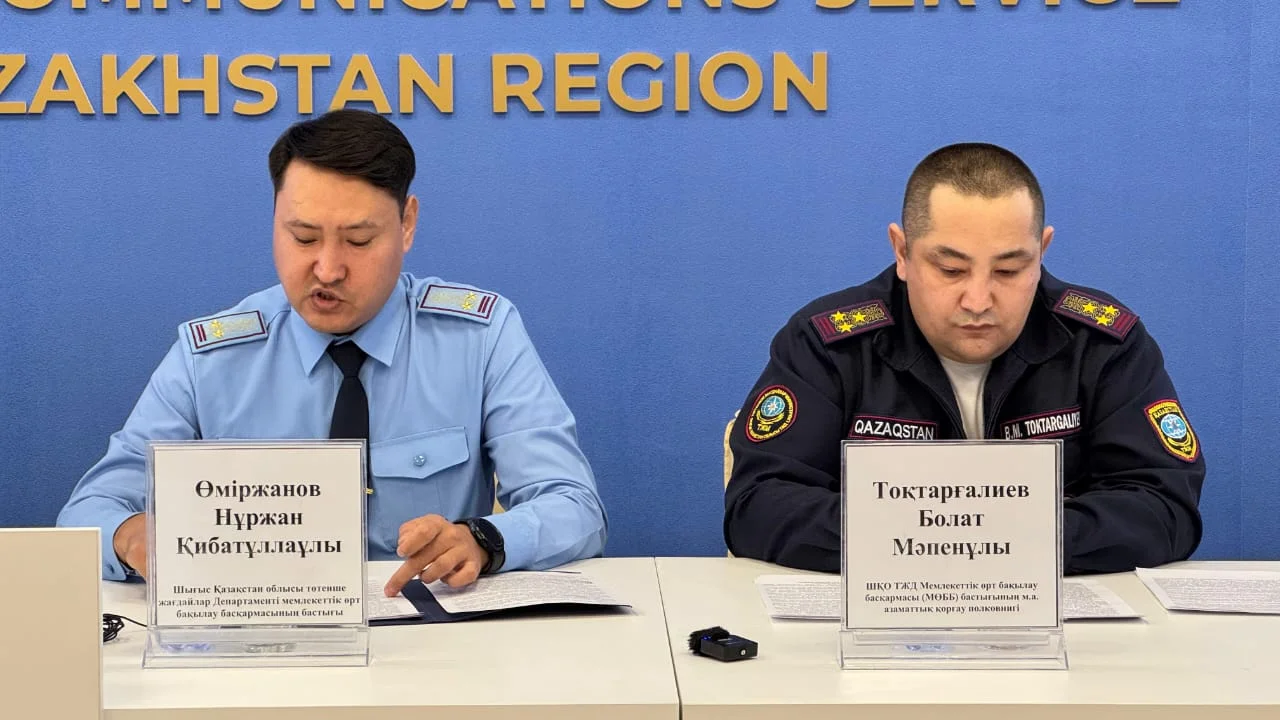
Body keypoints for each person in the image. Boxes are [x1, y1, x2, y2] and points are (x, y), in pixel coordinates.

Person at [58, 109, 608, 594]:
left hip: (431, 638)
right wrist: (133, 537)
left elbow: (575, 506)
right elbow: (88, 512)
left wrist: (482, 539)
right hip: (260, 637)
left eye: (359, 240)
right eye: (302, 237)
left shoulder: (480, 336)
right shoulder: (210, 358)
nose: (327, 269)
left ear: (407, 224)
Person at [723, 142, 1204, 576]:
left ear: (1042, 251)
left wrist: (988, 540)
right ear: (902, 252)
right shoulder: (829, 344)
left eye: (1009, 270)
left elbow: (1166, 506)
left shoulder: (1102, 345)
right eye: (951, 269)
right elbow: (757, 505)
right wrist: (957, 538)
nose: (978, 300)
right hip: (879, 620)